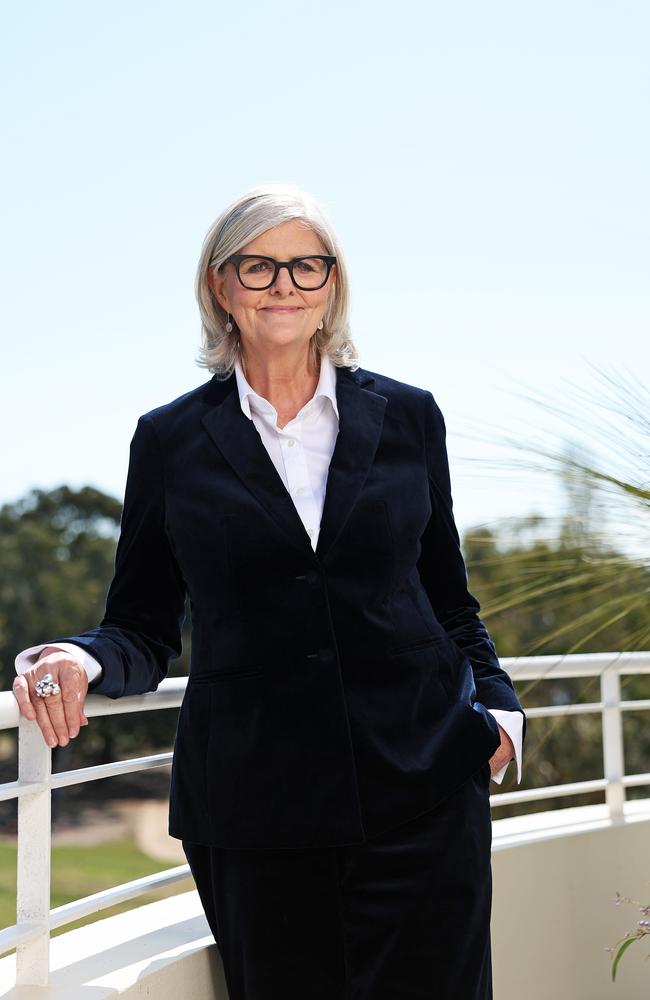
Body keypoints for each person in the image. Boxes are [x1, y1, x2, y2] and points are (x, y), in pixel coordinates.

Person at [14, 184, 526, 1000]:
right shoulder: (171, 440)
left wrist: (498, 714)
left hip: (425, 791)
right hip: (257, 814)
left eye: (305, 265)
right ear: (220, 286)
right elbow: (142, 622)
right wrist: (77, 653)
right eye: (258, 265)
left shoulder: (408, 416)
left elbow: (447, 600)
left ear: (332, 286)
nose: (283, 283)